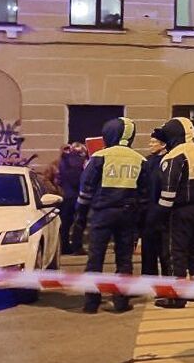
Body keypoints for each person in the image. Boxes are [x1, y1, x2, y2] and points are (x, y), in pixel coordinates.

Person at [73, 118, 149, 314]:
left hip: (102, 214)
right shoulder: (140, 160)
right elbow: (144, 195)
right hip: (128, 214)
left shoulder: (99, 157)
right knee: (124, 260)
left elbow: (85, 190)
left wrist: (80, 219)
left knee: (95, 259)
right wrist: (139, 222)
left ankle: (91, 304)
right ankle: (121, 302)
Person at [153, 117, 194, 309]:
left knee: (175, 252)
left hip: (180, 212)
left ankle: (175, 296)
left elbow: (168, 192)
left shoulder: (173, 157)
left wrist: (159, 215)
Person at [139, 128, 172, 278]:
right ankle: (149, 282)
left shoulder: (170, 162)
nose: (150, 144)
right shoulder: (147, 162)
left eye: (154, 142)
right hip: (149, 214)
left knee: (165, 254)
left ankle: (166, 287)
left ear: (163, 144)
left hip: (164, 215)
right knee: (148, 253)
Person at [58, 142, 88, 254]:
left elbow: (60, 179)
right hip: (77, 196)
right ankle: (76, 246)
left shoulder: (63, 161)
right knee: (79, 222)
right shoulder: (78, 162)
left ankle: (65, 247)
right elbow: (79, 179)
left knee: (66, 224)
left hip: (66, 195)